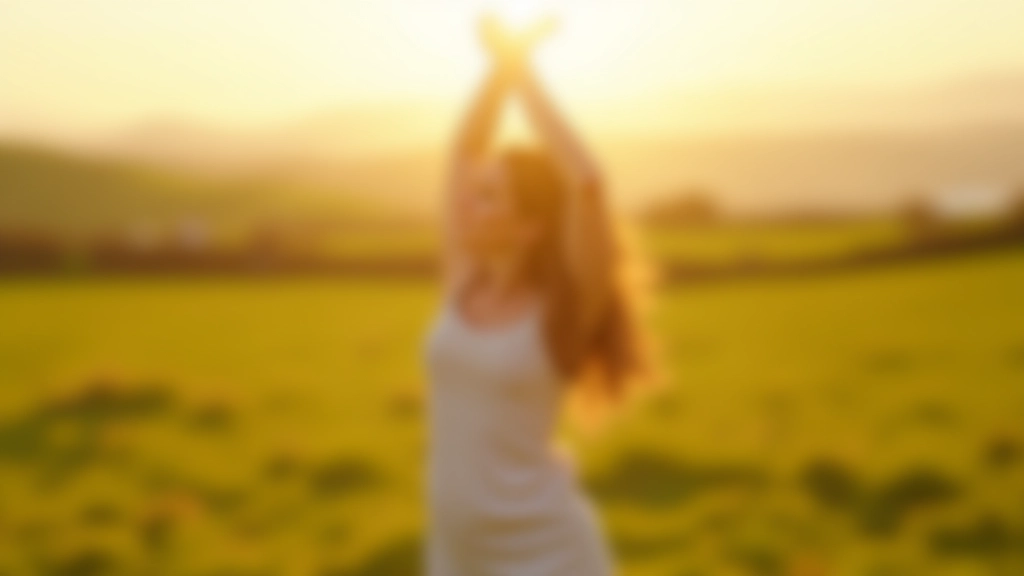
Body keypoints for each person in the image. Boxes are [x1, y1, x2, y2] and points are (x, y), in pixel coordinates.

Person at [424, 16, 654, 576]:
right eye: (473, 192)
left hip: (546, 557)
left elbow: (586, 183)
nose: (466, 203)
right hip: (456, 556)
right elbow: (465, 146)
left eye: (488, 197)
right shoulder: (465, 279)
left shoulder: (565, 310)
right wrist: (498, 67)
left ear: (529, 228)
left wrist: (525, 74)